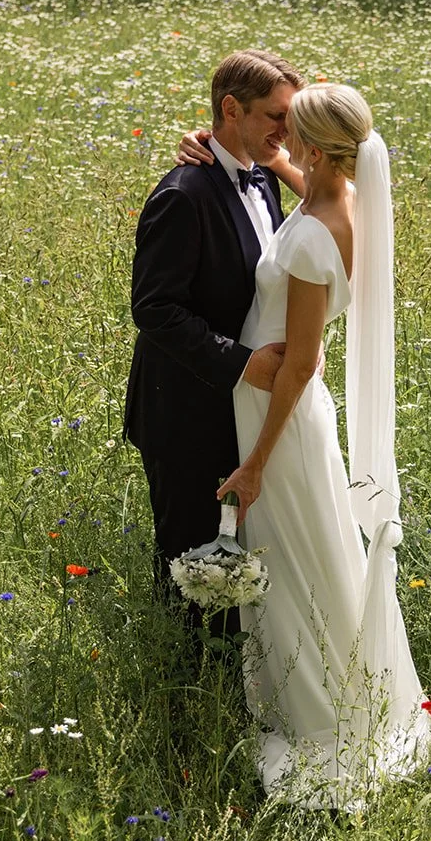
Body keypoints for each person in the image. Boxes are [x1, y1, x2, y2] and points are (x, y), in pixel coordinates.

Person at [208, 83, 431, 811]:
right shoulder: (342, 203)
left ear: (315, 145)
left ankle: (320, 712)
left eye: (290, 132)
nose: (280, 137)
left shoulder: (308, 240)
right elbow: (312, 191)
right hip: (290, 410)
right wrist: (274, 163)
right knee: (317, 552)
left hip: (280, 414)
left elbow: (299, 363)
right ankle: (335, 691)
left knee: (295, 559)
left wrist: (255, 462)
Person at [124, 50, 305, 646]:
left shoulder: (262, 176)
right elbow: (154, 309)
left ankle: (233, 679)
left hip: (239, 409)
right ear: (232, 110)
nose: (288, 130)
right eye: (277, 116)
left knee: (231, 550)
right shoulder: (184, 193)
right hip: (186, 407)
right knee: (189, 560)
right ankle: (181, 693)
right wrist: (241, 362)